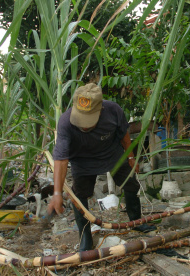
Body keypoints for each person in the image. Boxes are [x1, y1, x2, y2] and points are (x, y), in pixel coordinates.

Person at [47, 83, 156, 251]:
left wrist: (131, 157)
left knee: (131, 184)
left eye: (88, 120)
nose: (83, 126)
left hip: (113, 156)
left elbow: (125, 135)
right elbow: (61, 159)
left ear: (101, 109)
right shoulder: (65, 122)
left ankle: (136, 221)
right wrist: (56, 192)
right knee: (79, 196)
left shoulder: (113, 111)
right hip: (82, 162)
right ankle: (85, 237)